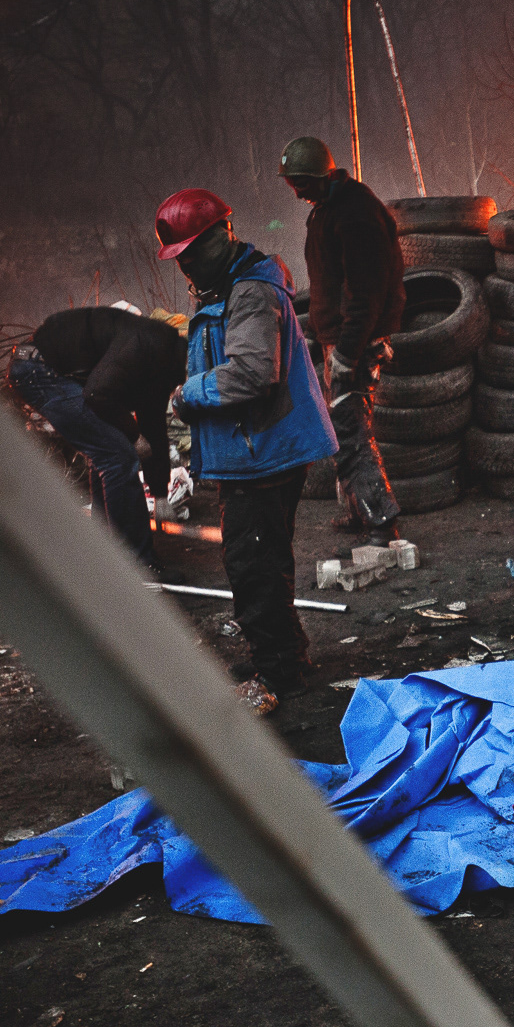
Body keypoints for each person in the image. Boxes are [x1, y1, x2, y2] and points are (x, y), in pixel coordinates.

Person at [155, 188, 337, 709]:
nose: (186, 265)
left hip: (264, 455)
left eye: (193, 252)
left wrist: (186, 395)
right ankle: (284, 656)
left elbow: (253, 374)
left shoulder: (251, 292)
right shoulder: (228, 287)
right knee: (264, 561)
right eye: (180, 256)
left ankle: (278, 676)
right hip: (255, 452)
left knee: (253, 566)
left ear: (223, 234)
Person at [277, 135, 405, 547]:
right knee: (346, 426)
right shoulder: (326, 209)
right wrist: (321, 335)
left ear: (322, 175)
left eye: (301, 182)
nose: (296, 191)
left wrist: (348, 353)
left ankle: (381, 522)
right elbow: (328, 281)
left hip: (356, 342)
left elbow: (365, 291)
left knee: (348, 431)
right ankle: (358, 510)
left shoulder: (355, 214)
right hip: (339, 337)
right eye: (292, 183)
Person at [8, 306, 189, 582]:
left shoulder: (158, 364)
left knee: (107, 453)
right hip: (39, 371)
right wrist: (133, 435)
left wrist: (160, 493)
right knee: (118, 456)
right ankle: (136, 566)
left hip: (43, 369)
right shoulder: (143, 345)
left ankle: (105, 554)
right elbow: (97, 393)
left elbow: (153, 426)